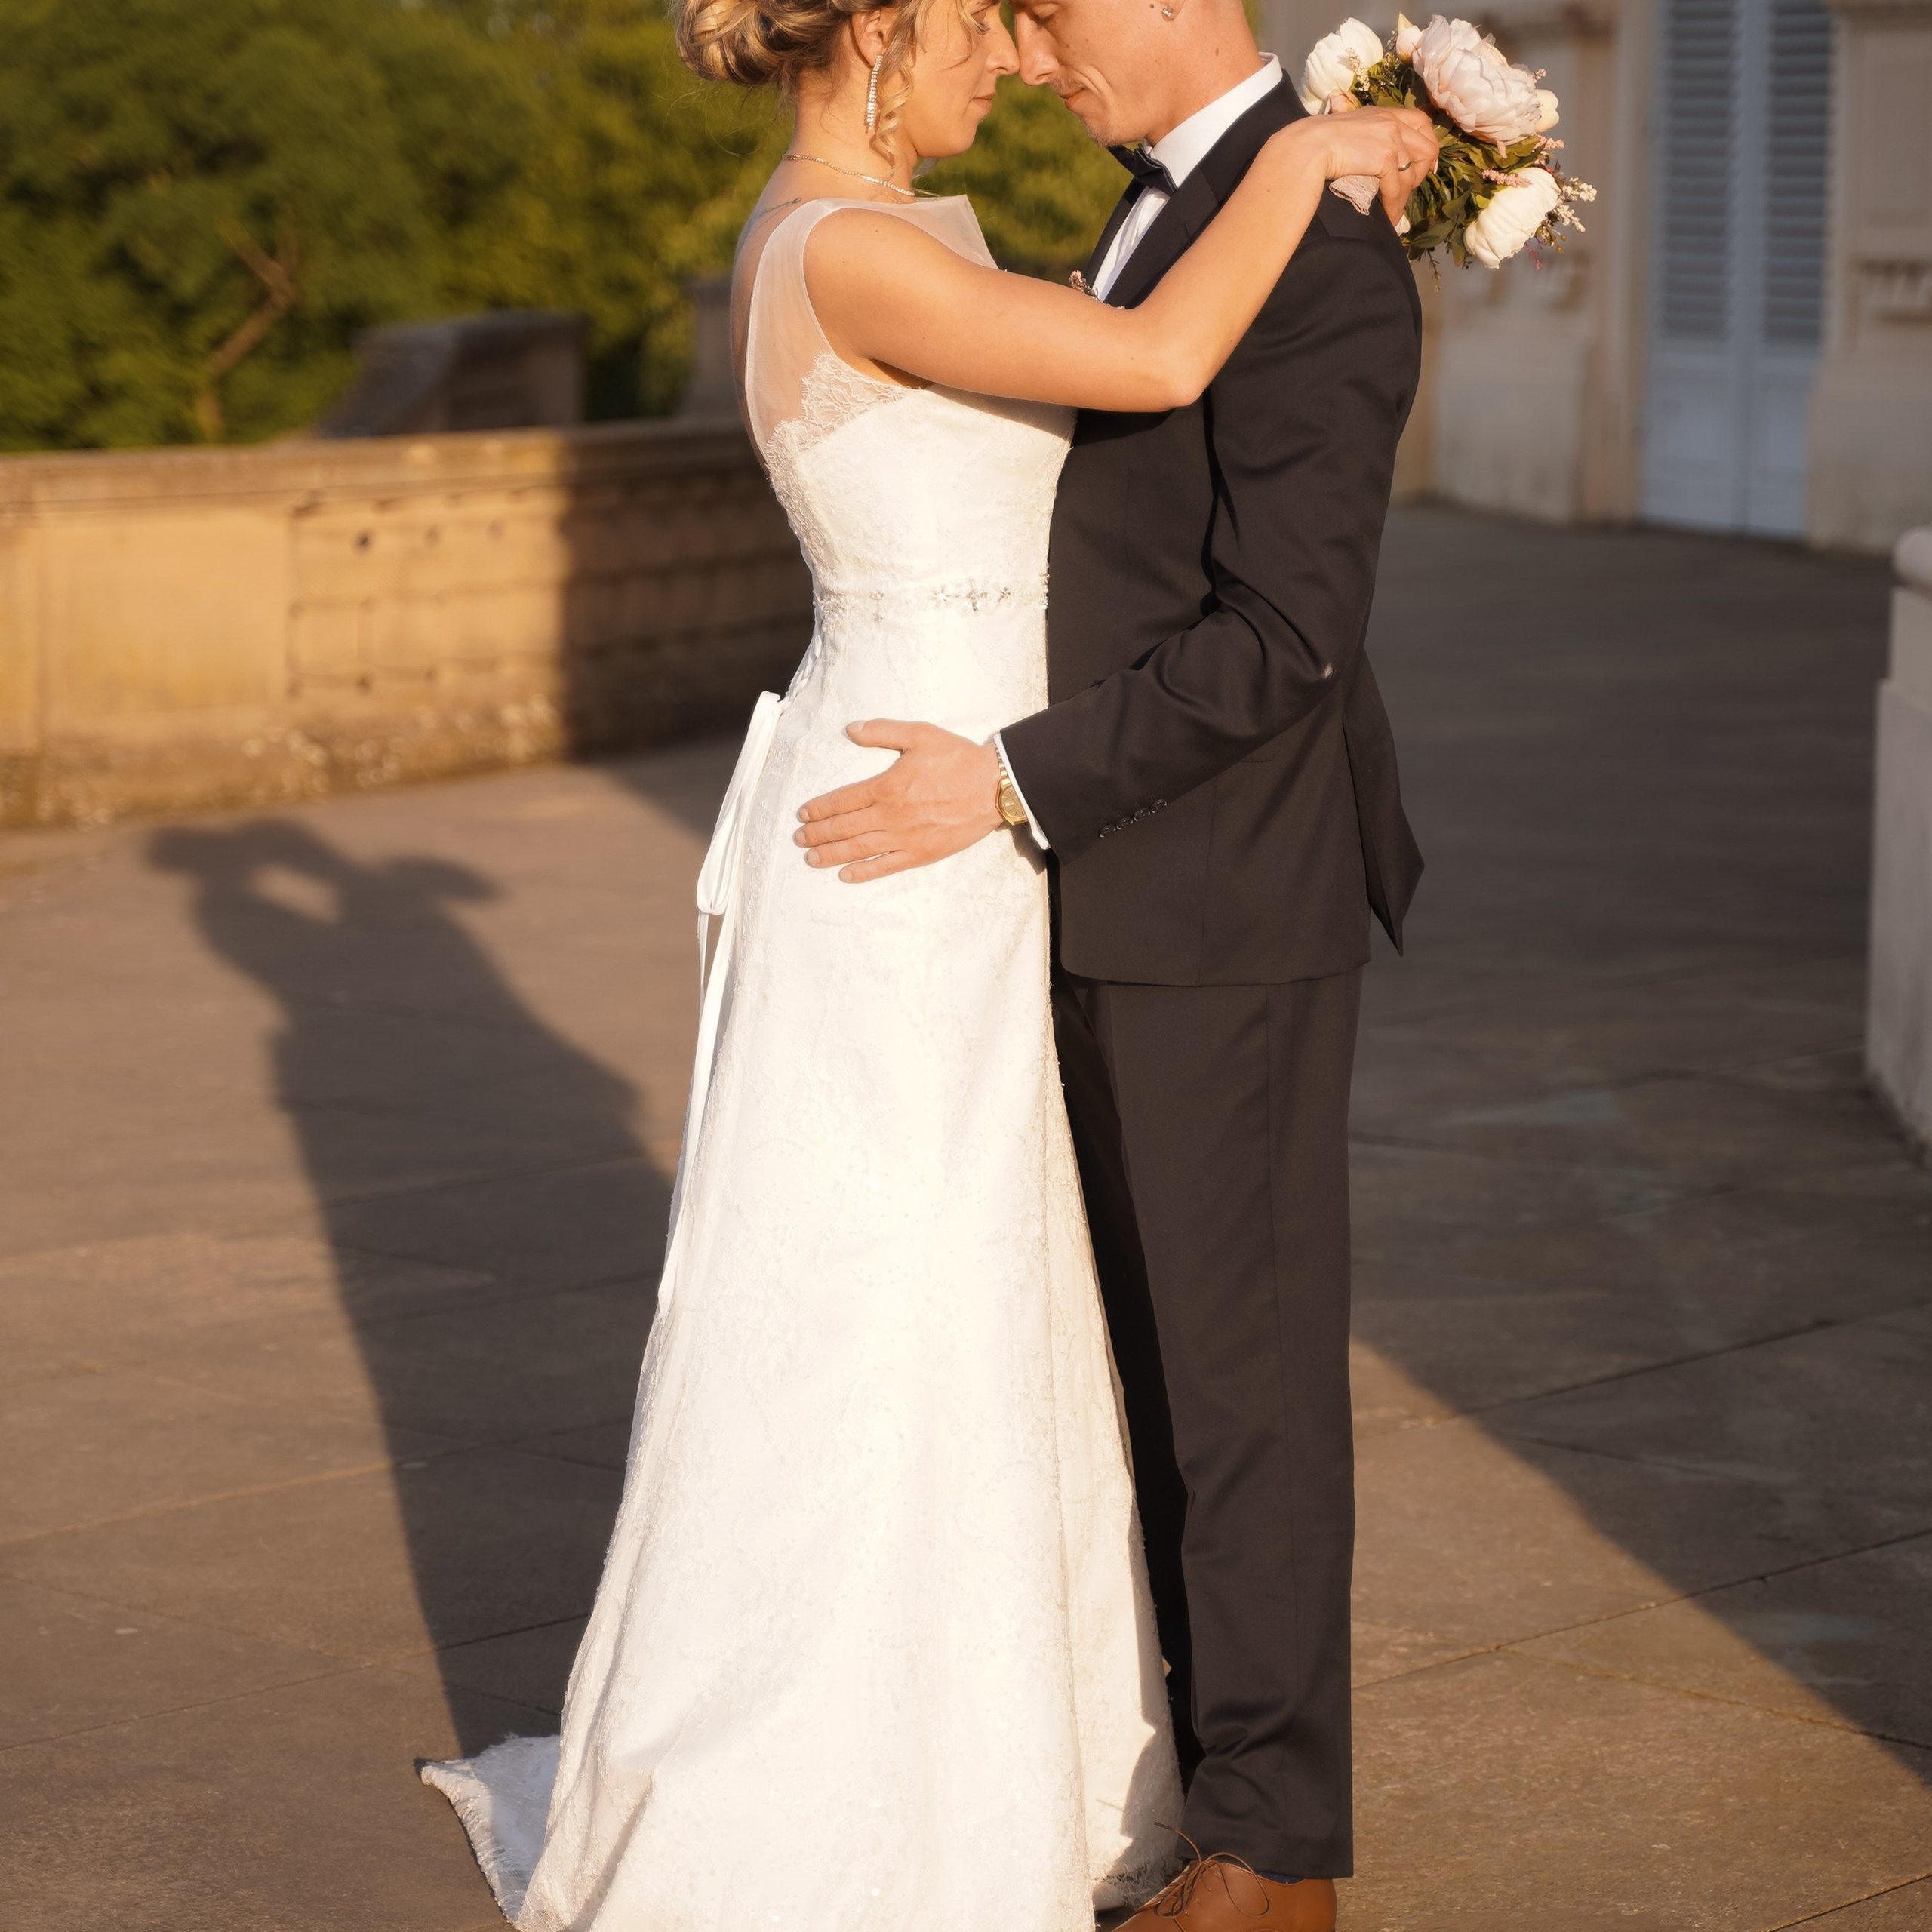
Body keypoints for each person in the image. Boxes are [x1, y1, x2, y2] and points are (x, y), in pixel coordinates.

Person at [419, 0, 1432, 1926]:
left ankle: (1140, 1794)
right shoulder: (859, 245)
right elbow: (1144, 360)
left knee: (1014, 1306)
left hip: (1009, 817)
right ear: (873, 30)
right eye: (979, 21)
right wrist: (1303, 148)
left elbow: (1234, 553)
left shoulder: (922, 232)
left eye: (1023, 19)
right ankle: (855, 1769)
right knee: (897, 1289)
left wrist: (1296, 167)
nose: (1011, 58)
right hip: (925, 814)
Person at [789, 0, 1430, 1925]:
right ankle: (1193, 1781)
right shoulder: (1173, 209)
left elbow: (1281, 637)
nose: (1039, 59)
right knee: (1146, 1374)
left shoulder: (1309, 238)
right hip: (1096, 883)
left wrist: (1007, 780)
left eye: (1051, 18)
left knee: (1237, 1390)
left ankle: (1275, 1852)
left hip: (1217, 896)